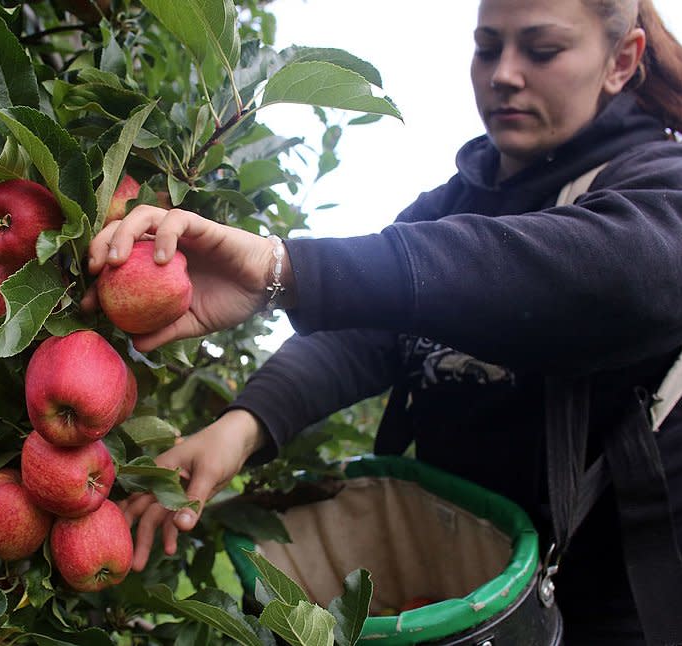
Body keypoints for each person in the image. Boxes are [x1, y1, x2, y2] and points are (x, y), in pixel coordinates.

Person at [85, 0, 682, 642]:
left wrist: (292, 269)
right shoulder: (451, 205)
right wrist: (241, 427)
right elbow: (372, 332)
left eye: (541, 51)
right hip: (463, 580)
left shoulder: (658, 183)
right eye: (487, 47)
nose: (504, 74)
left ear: (622, 61)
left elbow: (609, 275)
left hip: (613, 602)